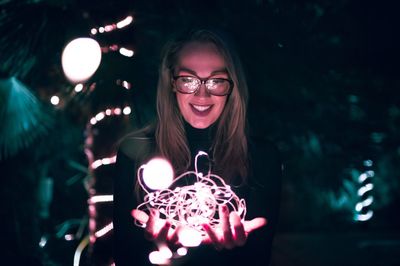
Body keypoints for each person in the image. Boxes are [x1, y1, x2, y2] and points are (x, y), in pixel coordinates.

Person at [113, 28, 282, 266]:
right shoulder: (134, 152)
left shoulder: (262, 157)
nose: (202, 94)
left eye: (215, 81)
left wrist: (231, 251)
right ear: (172, 83)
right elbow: (124, 255)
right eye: (188, 80)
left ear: (231, 87)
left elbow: (259, 257)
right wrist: (161, 249)